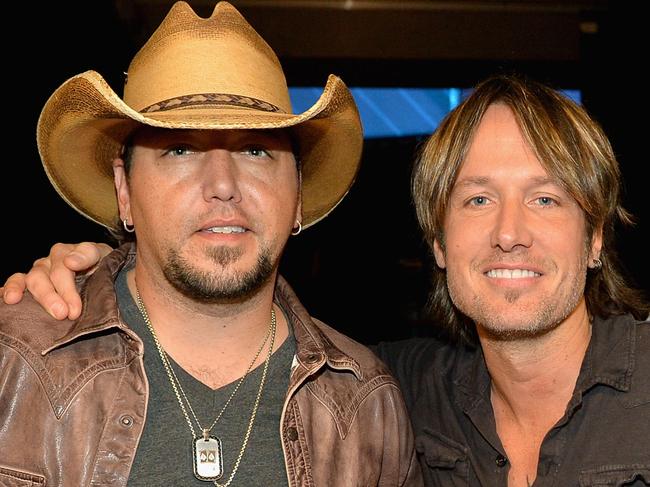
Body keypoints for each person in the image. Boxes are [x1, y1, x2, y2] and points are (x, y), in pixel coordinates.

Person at [9, 75, 650, 486]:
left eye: (546, 199)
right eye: (477, 200)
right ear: (438, 243)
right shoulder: (391, 392)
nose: (510, 233)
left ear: (595, 236)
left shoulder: (364, 397)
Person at [0, 2, 421, 486]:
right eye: (180, 149)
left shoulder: (368, 406)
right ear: (125, 191)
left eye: (255, 150)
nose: (222, 184)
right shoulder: (14, 359)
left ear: (298, 194)